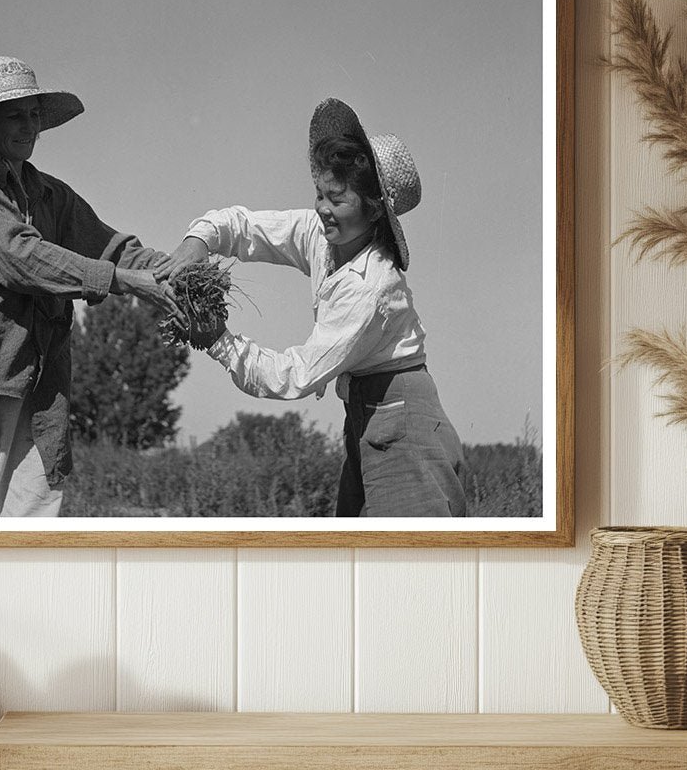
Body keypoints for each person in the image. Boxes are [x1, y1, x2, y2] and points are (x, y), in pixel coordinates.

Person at [0, 56, 184, 518]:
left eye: (34, 114)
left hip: (36, 387)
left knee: (29, 528)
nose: (29, 126)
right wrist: (119, 281)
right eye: (14, 115)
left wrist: (180, 272)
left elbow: (113, 248)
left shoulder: (53, 195)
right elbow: (17, 257)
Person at [154, 98, 467, 517]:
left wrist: (218, 341)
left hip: (404, 426)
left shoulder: (369, 287)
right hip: (368, 415)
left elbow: (296, 375)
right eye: (319, 193)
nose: (321, 208)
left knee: (408, 566)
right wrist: (199, 241)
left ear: (373, 209)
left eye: (336, 198)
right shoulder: (323, 236)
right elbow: (244, 226)